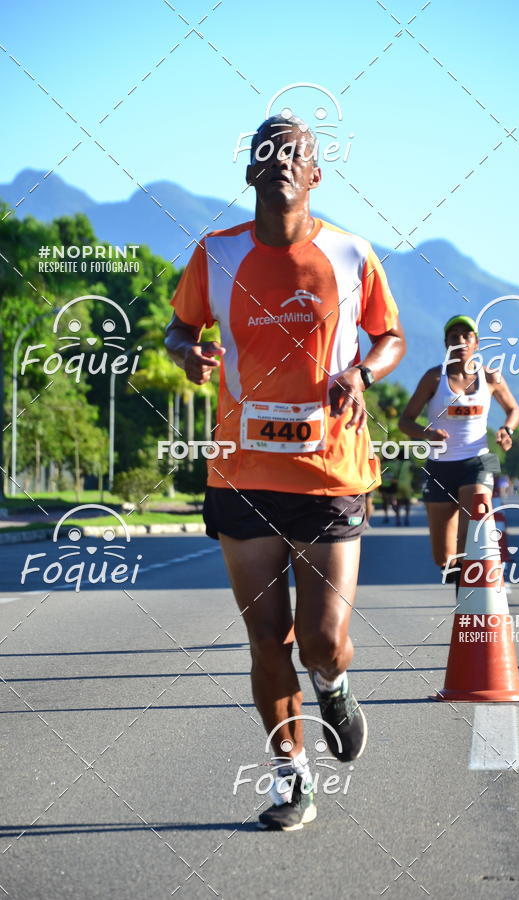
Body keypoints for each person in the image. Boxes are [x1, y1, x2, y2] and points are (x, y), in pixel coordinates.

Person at [165, 115, 405, 831]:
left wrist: (363, 370)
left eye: (294, 152)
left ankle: (331, 685)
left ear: (315, 174)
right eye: (265, 151)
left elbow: (390, 335)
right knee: (266, 639)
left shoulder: (351, 254)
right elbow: (182, 326)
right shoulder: (215, 254)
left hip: (331, 471)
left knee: (321, 638)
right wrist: (186, 352)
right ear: (249, 173)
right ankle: (290, 777)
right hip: (242, 473)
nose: (279, 160)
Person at [398, 314, 519, 593]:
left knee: (470, 532)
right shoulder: (433, 377)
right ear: (446, 343)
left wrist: (507, 430)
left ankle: (470, 595)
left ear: (476, 343)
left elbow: (514, 409)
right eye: (455, 336)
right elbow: (405, 421)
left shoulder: (490, 376)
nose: (461, 341)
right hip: (440, 465)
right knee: (443, 555)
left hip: (479, 460)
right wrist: (427, 434)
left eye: (467, 336)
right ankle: (455, 573)